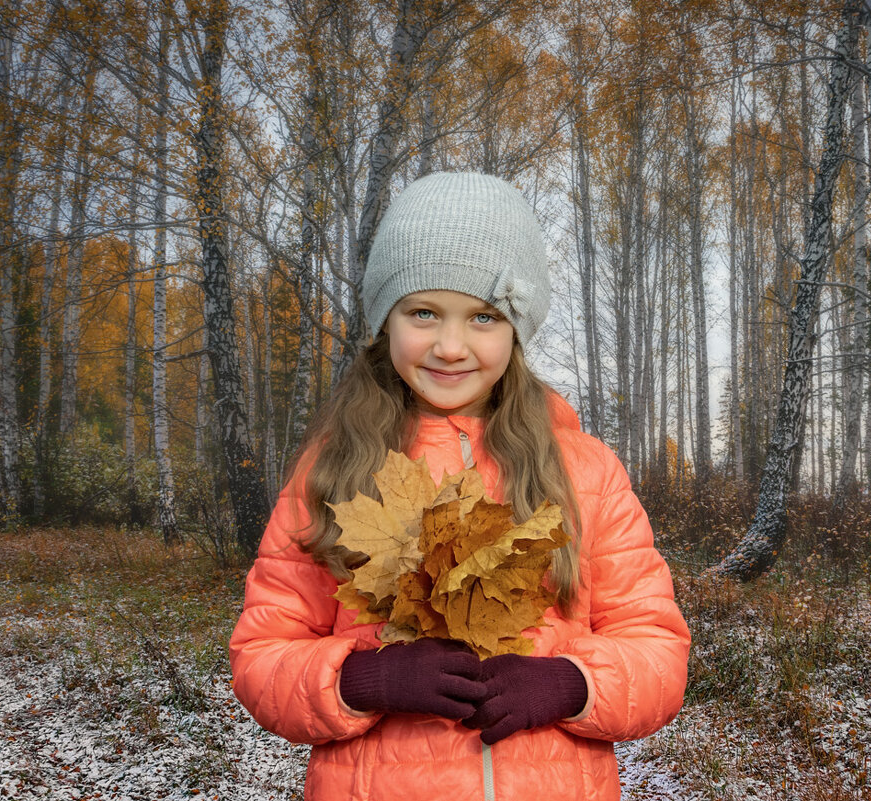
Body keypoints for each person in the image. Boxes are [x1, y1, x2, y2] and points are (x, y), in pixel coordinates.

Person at [229, 171, 690, 801]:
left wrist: (568, 683)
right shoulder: (334, 471)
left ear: (516, 331)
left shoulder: (585, 471)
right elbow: (262, 655)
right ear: (384, 321)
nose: (450, 346)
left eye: (483, 316)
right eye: (423, 312)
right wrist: (363, 681)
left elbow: (656, 649)